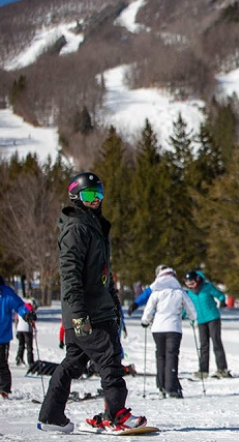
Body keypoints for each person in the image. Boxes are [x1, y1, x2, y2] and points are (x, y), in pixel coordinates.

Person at [38, 172, 146, 433]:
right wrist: (78, 315)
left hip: (100, 309)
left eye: (99, 194)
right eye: (89, 195)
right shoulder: (77, 228)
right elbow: (70, 275)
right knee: (109, 358)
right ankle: (116, 414)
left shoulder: (94, 226)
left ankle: (52, 416)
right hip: (87, 313)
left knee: (74, 362)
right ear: (76, 196)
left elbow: (101, 272)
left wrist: (113, 299)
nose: (96, 200)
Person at [141, 265, 196, 398]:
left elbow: (148, 310)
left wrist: (145, 321)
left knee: (160, 356)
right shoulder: (180, 293)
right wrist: (193, 319)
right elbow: (191, 309)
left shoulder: (156, 293)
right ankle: (171, 388)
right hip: (173, 329)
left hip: (158, 329)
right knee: (171, 356)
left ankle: (161, 385)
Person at [184, 270, 231, 378]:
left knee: (216, 342)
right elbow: (188, 306)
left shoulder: (207, 287)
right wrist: (182, 315)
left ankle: (222, 369)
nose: (190, 286)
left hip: (213, 317)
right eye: (188, 284)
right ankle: (203, 370)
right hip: (200, 320)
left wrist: (222, 301)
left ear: (197, 280)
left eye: (192, 283)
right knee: (203, 345)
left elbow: (220, 295)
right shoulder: (189, 293)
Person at [1, 275, 33, 399]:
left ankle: (4, 390)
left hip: (2, 336)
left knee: (1, 363)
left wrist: (26, 314)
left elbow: (19, 305)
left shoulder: (6, 294)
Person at [15, 298, 36, 366]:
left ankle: (19, 358)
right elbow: (33, 319)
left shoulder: (20, 309)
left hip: (19, 329)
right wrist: (34, 327)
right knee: (29, 346)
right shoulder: (30, 309)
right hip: (27, 329)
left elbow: (16, 319)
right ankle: (30, 361)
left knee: (21, 345)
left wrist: (16, 329)